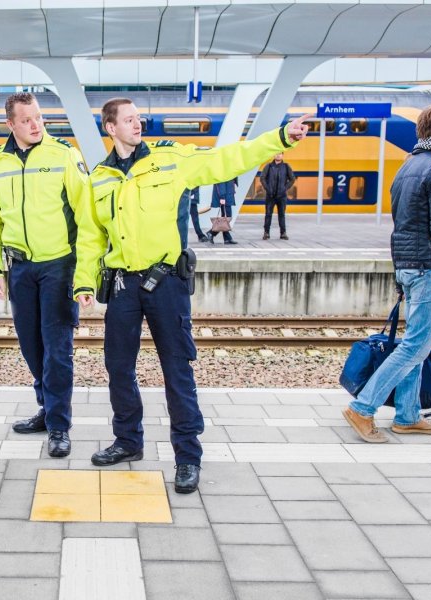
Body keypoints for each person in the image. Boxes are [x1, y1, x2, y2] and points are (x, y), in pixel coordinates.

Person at [73, 97, 308, 493]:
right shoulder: (99, 177)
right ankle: (128, 441)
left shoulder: (172, 159)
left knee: (177, 370)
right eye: (128, 120)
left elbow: (228, 159)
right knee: (117, 368)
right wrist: (83, 282)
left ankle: (187, 456)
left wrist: (281, 137)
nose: (137, 124)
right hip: (123, 286)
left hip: (167, 283)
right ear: (110, 128)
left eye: (138, 118)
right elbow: (90, 235)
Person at [343, 104, 431, 443]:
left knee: (417, 345)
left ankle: (408, 415)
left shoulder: (410, 164)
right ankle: (363, 407)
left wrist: (401, 270)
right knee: (415, 347)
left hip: (410, 267)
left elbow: (402, 225)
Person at [0, 92, 89, 458]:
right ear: (10, 125)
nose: (35, 124)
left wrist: (84, 270)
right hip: (20, 268)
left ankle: (59, 425)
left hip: (59, 265)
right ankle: (46, 408)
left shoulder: (63, 155)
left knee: (58, 350)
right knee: (31, 346)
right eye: (26, 120)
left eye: (39, 117)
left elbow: (86, 216)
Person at [260, 153, 295, 240]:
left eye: (280, 154)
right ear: (273, 155)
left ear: (282, 155)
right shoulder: (268, 166)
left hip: (282, 196)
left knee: (281, 215)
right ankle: (266, 233)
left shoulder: (286, 166)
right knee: (268, 214)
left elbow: (292, 179)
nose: (278, 156)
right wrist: (267, 189)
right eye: (276, 154)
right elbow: (262, 178)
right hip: (270, 196)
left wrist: (285, 188)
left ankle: (283, 233)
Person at [206, 178, 238, 245]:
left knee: (225, 218)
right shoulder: (225, 170)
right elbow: (221, 183)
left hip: (228, 197)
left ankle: (226, 238)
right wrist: (222, 197)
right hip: (225, 198)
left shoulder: (229, 170)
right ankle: (211, 233)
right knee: (226, 218)